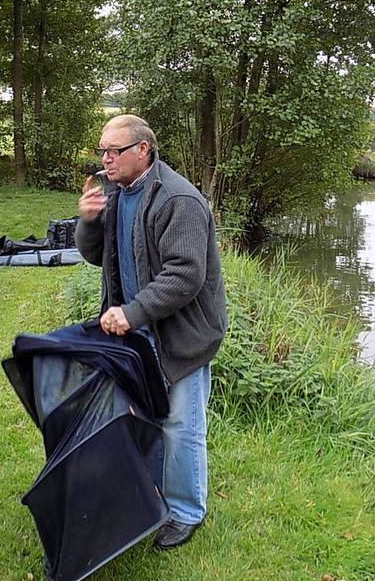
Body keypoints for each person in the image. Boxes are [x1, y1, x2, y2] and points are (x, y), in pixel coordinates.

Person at [75, 114, 227, 550]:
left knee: (181, 424)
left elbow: (185, 276)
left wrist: (134, 311)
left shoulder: (179, 199)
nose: (105, 160)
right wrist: (88, 221)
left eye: (114, 151)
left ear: (143, 150)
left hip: (182, 335)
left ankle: (185, 512)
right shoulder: (117, 193)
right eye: (102, 151)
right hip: (138, 331)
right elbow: (97, 257)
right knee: (147, 417)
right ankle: (153, 498)